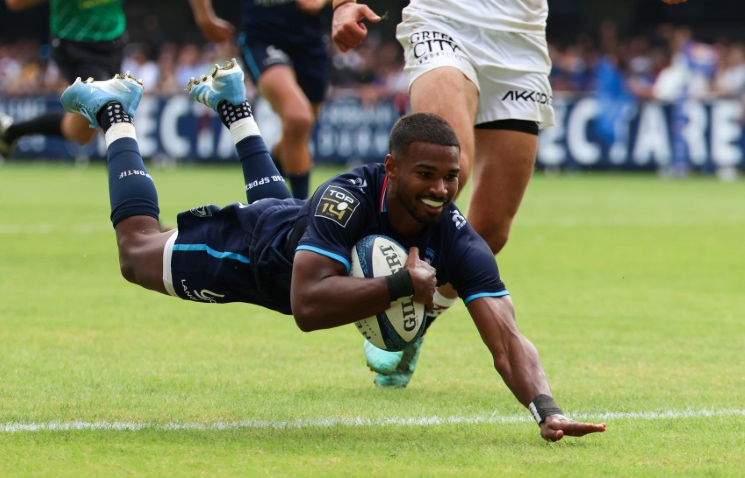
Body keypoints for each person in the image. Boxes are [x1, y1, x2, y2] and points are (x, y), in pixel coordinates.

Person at [59, 59, 606, 442]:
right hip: (250, 257)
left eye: (451, 177)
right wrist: (399, 285)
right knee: (135, 253)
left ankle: (234, 109)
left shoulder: (457, 237)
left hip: (295, 232)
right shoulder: (346, 196)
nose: (441, 189)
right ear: (391, 169)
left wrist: (546, 409)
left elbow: (508, 339)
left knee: (284, 210)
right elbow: (307, 306)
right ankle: (115, 113)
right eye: (426, 175)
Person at [331, 0, 692, 388]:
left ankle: (418, 320)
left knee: (491, 229)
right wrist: (344, 4)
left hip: (519, 39)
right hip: (443, 18)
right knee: (451, 168)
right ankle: (387, 292)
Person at [189, 0, 333, 199]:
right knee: (299, 118)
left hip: (310, 39)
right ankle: (301, 216)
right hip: (263, 35)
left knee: (297, 133)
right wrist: (204, 17)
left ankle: (269, 185)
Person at [0, 0, 128, 160]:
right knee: (110, 109)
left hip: (114, 40)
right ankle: (130, 181)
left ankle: (12, 131)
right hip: (76, 44)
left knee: (80, 133)